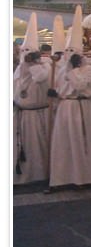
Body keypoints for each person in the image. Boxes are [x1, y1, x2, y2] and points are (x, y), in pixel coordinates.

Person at [46, 6, 91, 193]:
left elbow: (81, 85)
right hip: (65, 108)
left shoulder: (88, 68)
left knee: (84, 141)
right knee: (65, 142)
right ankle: (62, 177)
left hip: (82, 107)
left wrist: (73, 70)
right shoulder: (59, 69)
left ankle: (89, 176)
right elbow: (59, 87)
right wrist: (55, 94)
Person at [13, 13, 51, 185]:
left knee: (36, 146)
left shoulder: (44, 66)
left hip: (36, 115)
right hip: (21, 114)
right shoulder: (19, 69)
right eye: (23, 51)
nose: (25, 55)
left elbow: (40, 78)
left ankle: (38, 174)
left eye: (28, 51)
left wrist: (34, 63)